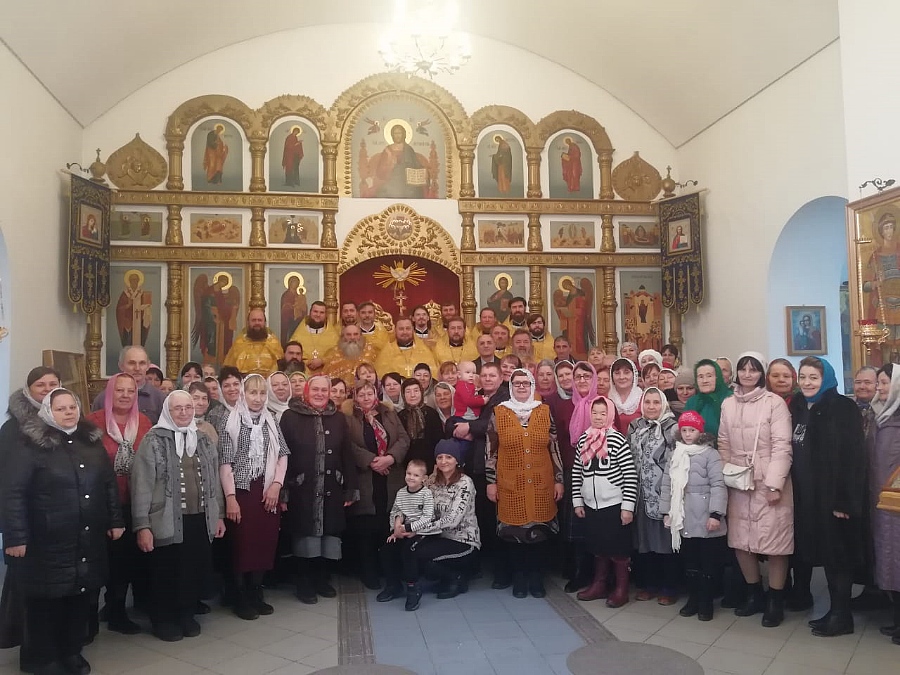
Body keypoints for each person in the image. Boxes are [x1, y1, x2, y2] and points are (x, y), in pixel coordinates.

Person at [3, 388, 124, 675]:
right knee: (45, 601)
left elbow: (108, 484)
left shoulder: (91, 442)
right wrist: (15, 537)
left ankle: (71, 652)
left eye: (72, 407)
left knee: (79, 598)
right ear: (48, 411)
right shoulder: (29, 444)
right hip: (44, 540)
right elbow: (12, 493)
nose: (69, 412)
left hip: (86, 537)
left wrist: (115, 520)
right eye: (61, 408)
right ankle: (40, 658)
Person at [131, 390, 225, 641]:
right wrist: (142, 525)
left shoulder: (203, 439)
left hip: (200, 518)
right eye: (177, 408)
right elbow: (142, 485)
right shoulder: (153, 440)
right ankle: (163, 619)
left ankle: (186, 614)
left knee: (192, 569)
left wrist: (219, 515)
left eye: (187, 407)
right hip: (166, 520)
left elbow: (214, 479)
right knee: (166, 571)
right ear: (167, 411)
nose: (183, 412)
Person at [789, 357, 867, 637]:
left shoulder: (842, 408)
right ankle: (833, 612)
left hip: (833, 498)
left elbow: (853, 457)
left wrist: (844, 500)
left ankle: (841, 616)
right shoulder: (798, 405)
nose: (807, 383)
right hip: (807, 498)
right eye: (804, 377)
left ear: (827, 379)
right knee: (822, 553)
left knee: (838, 558)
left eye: (814, 377)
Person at [719, 352, 793, 628]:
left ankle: (775, 599)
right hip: (739, 479)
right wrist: (726, 472)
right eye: (743, 369)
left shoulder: (773, 403)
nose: (747, 374)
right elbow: (723, 442)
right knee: (741, 541)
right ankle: (754, 593)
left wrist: (775, 483)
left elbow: (782, 445)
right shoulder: (728, 404)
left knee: (775, 543)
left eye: (753, 369)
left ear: (761, 373)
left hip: (769, 480)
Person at [0, 367, 61, 672]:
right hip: (29, 522)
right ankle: (32, 653)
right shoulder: (15, 428)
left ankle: (55, 645)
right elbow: (10, 486)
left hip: (56, 522)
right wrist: (15, 534)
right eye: (41, 385)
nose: (47, 389)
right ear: (29, 390)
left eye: (54, 384)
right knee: (28, 591)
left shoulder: (65, 420)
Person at [486, 369, 564, 598]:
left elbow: (555, 447)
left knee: (538, 532)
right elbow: (490, 450)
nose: (521, 387)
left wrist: (559, 480)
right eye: (516, 383)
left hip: (542, 482)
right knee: (515, 533)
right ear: (510, 387)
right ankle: (520, 577)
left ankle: (536, 577)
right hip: (511, 483)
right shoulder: (499, 412)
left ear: (532, 386)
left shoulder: (544, 411)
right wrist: (491, 482)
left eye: (525, 383)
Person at [280, 375, 358, 604]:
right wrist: (283, 489)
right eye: (316, 389)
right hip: (302, 487)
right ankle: (304, 583)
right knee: (306, 535)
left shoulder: (338, 418)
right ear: (306, 390)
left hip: (332, 486)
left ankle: (322, 579)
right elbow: (282, 456)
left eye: (325, 390)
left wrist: (350, 488)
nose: (320, 394)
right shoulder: (290, 416)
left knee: (329, 536)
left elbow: (347, 455)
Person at [86, 373, 154, 635]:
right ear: (109, 393)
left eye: (130, 391)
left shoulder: (145, 422)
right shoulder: (93, 422)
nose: (125, 395)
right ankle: (89, 616)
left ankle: (116, 611)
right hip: (100, 504)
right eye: (119, 390)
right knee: (97, 561)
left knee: (124, 562)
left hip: (133, 502)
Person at [218, 374, 290, 620]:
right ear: (242, 394)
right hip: (242, 492)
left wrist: (276, 485)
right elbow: (225, 463)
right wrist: (230, 497)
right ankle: (239, 596)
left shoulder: (271, 420)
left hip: (266, 490)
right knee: (242, 544)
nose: (257, 399)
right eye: (252, 393)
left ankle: (256, 592)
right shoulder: (231, 421)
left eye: (261, 393)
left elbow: (282, 455)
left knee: (264, 542)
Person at [377, 440, 481, 608]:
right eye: (440, 457)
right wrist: (398, 525)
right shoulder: (431, 481)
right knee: (390, 547)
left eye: (449, 457)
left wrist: (413, 528)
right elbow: (406, 502)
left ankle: (456, 578)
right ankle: (393, 586)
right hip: (434, 536)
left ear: (457, 460)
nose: (444, 461)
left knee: (416, 554)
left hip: (462, 540)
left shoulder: (465, 483)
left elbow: (451, 520)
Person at [661, 411, 727, 622]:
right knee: (690, 561)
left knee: (707, 561)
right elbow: (666, 484)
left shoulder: (710, 454)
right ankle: (694, 598)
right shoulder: (675, 453)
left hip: (705, 514)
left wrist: (716, 514)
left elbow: (718, 485)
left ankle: (706, 601)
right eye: (685, 430)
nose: (688, 434)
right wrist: (667, 512)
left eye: (692, 430)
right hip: (683, 515)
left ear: (700, 431)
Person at [571, 397, 638, 607]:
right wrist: (578, 500)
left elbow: (629, 474)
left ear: (609, 415)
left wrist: (627, 507)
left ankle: (621, 589)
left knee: (618, 549)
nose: (598, 417)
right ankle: (599, 585)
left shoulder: (617, 439)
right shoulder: (584, 439)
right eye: (594, 413)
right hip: (591, 504)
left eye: (602, 413)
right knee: (598, 546)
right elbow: (577, 471)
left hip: (614, 504)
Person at [345, 380, 410, 589]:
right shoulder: (348, 418)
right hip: (366, 478)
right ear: (355, 397)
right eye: (361, 394)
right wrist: (373, 461)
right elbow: (348, 445)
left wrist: (390, 458)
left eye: (369, 393)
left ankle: (388, 570)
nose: (366, 397)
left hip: (391, 477)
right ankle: (369, 572)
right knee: (366, 529)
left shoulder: (389, 413)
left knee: (388, 523)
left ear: (376, 394)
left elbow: (403, 438)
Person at [627, 387, 680, 605]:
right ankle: (647, 584)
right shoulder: (635, 426)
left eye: (656, 402)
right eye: (647, 402)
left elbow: (678, 461)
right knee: (644, 542)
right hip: (640, 494)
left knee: (664, 542)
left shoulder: (672, 427)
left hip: (663, 494)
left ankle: (668, 587)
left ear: (663, 404)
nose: (651, 407)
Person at [376, 458, 442, 611]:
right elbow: (396, 511)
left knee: (409, 550)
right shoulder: (401, 493)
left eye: (416, 475)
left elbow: (427, 517)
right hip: (403, 530)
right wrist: (396, 528)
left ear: (424, 479)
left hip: (423, 532)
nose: (411, 477)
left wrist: (408, 528)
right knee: (386, 549)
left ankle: (413, 588)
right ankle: (393, 585)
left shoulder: (426, 494)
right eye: (409, 473)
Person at [872, 363, 900, 644]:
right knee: (891, 560)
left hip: (897, 505)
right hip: (884, 504)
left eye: (884, 383)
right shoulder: (882, 415)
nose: (879, 388)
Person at [92, 346, 167, 423]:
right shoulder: (104, 398)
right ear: (121, 366)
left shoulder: (160, 398)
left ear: (148, 366)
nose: (137, 368)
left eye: (142, 363)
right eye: (132, 363)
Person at [398, 379, 443, 475]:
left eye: (416, 391)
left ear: (421, 392)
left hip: (430, 463)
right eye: (408, 391)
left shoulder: (431, 413)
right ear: (403, 395)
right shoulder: (400, 416)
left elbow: (438, 440)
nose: (412, 395)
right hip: (407, 466)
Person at [223, 309, 285, 376]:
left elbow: (282, 369)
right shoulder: (239, 344)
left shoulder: (274, 343)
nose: (257, 323)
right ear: (248, 322)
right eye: (253, 320)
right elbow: (229, 371)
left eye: (260, 320)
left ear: (265, 322)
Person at [684, 359, 732, 437]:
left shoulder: (729, 399)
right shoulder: (692, 402)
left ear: (717, 377)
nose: (705, 381)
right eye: (700, 377)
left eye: (709, 376)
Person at [289, 301, 339, 374]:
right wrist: (308, 362)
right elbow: (290, 355)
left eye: (322, 312)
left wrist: (322, 361)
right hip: (303, 375)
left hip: (327, 375)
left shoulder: (333, 336)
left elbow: (338, 356)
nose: (318, 315)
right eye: (315, 311)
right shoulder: (298, 334)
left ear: (326, 315)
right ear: (310, 313)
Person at [610, 357, 642, 433]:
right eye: (617, 373)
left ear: (634, 375)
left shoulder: (643, 398)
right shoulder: (607, 398)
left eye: (626, 372)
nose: (622, 377)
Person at [206, 366, 242, 432]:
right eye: (226, 386)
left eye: (236, 384)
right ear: (220, 389)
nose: (232, 389)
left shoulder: (250, 411)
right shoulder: (214, 414)